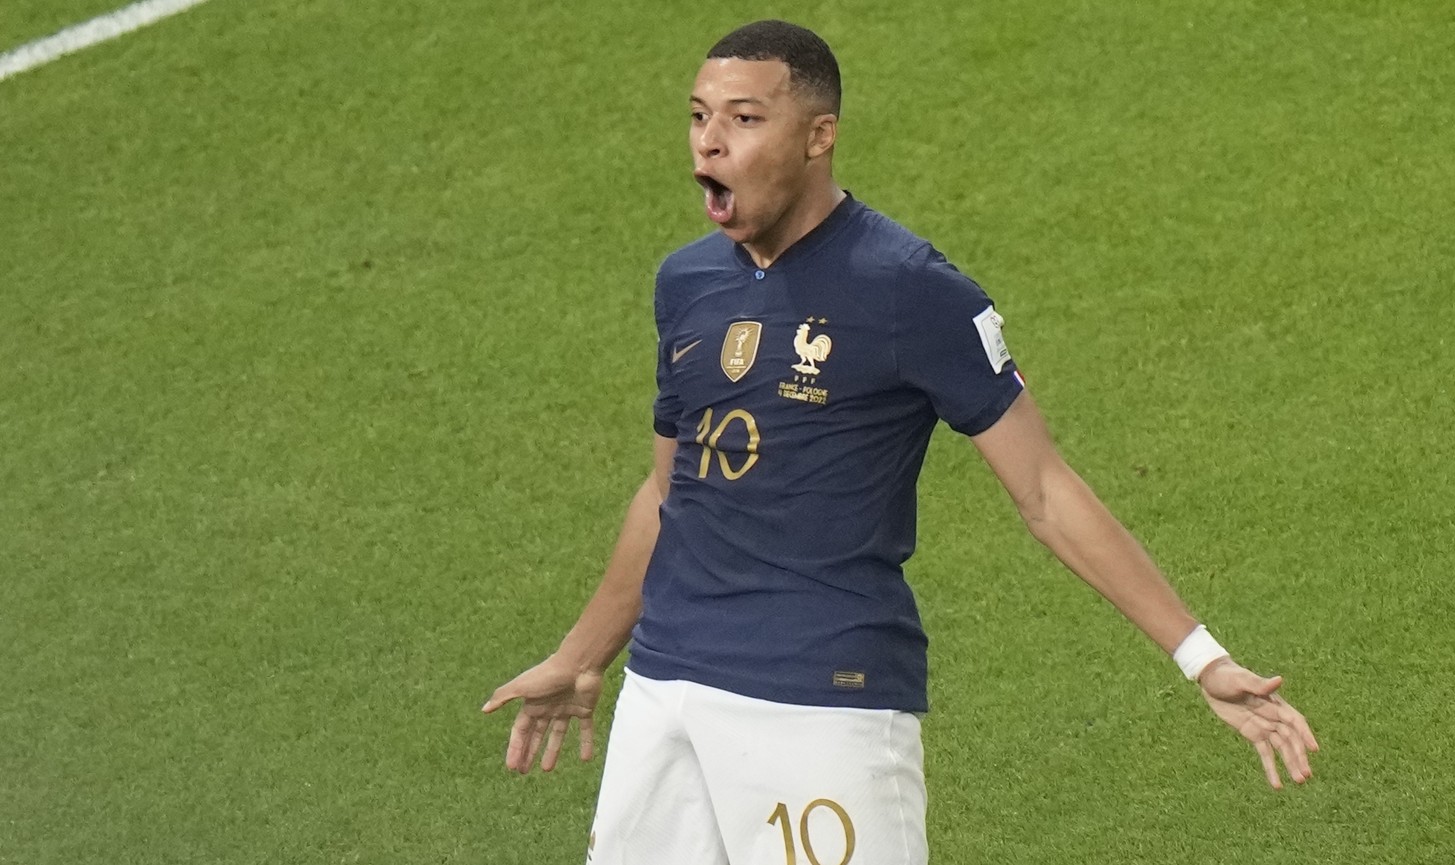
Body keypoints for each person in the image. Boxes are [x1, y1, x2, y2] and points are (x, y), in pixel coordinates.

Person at [483, 19, 1318, 864]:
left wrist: (1201, 655)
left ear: (819, 136)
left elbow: (1044, 490)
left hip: (820, 699)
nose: (710, 143)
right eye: (699, 117)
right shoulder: (687, 282)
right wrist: (581, 656)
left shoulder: (909, 289)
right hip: (665, 689)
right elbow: (671, 491)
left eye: (743, 119)